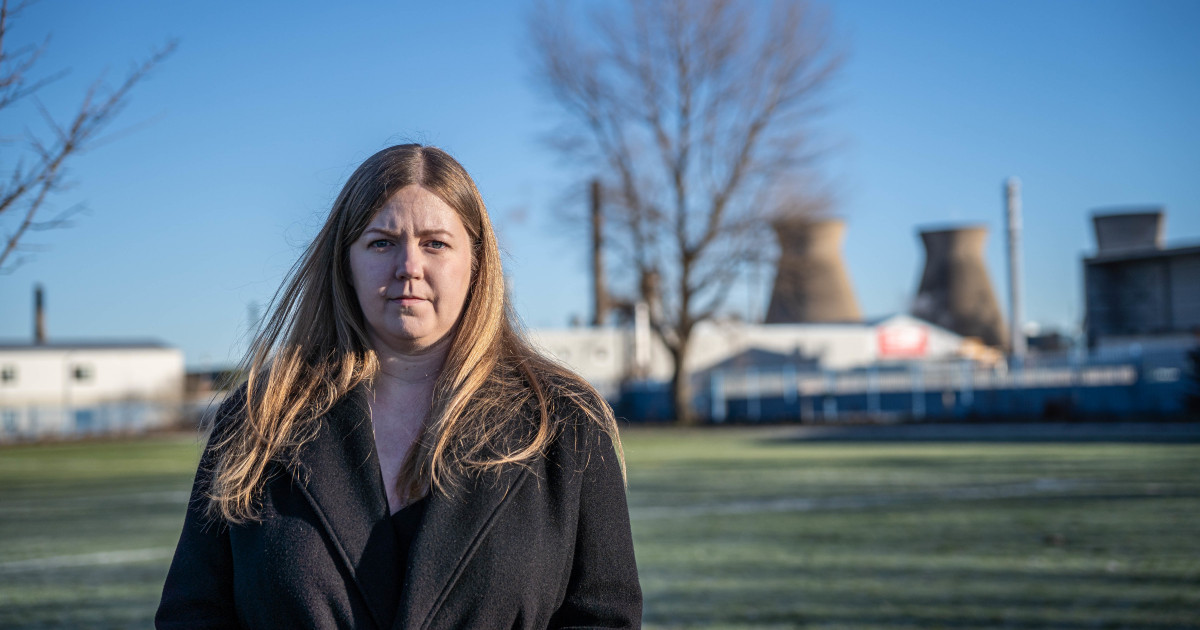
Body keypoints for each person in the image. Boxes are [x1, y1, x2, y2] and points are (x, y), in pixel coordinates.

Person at [156, 144, 642, 629]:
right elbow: (193, 613)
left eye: (435, 243)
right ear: (344, 262)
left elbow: (603, 618)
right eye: (382, 242)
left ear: (476, 261)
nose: (408, 266)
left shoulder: (562, 420)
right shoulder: (259, 419)